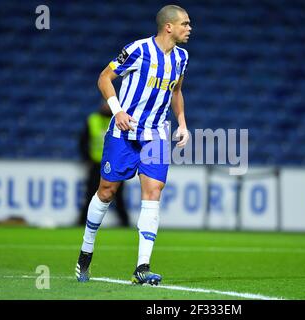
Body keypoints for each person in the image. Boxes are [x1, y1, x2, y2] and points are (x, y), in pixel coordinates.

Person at [75, 4, 191, 285]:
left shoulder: (182, 57)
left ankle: (142, 267)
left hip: (157, 135)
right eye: (185, 24)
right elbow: (104, 77)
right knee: (106, 192)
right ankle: (85, 252)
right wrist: (117, 110)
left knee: (153, 192)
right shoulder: (138, 50)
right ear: (168, 27)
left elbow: (176, 91)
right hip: (124, 133)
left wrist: (182, 123)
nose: (189, 29)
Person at [78, 100, 129, 227]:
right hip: (96, 163)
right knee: (90, 194)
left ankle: (125, 222)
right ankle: (82, 221)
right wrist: (87, 159)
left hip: (114, 164)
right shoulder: (93, 120)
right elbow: (83, 142)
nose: (106, 106)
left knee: (118, 195)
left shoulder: (119, 119)